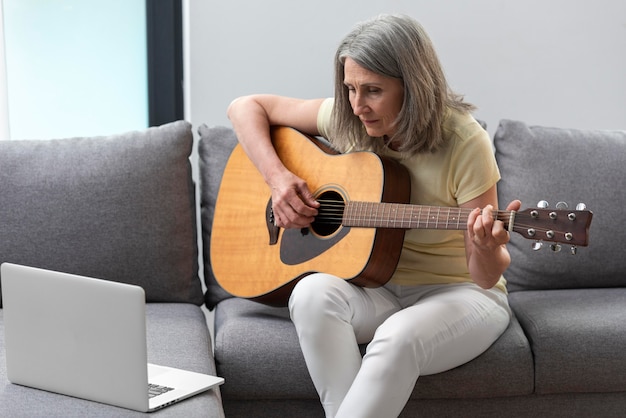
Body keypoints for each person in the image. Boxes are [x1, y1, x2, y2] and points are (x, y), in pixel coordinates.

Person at [227, 14, 521, 418]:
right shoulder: (351, 121)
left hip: (460, 293)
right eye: (349, 88)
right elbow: (244, 106)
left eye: (373, 91)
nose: (356, 105)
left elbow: (485, 276)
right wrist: (278, 180)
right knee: (311, 294)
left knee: (396, 338)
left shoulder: (464, 141)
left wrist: (488, 247)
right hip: (378, 287)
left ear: (413, 86)